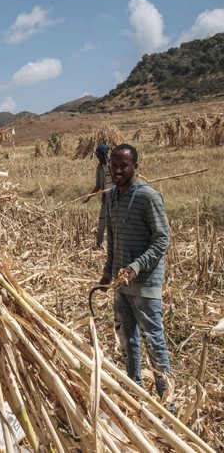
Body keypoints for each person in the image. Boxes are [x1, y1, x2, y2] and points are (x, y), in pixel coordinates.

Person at [99, 144, 173, 408]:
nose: (118, 170)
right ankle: (135, 393)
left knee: (154, 341)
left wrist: (136, 267)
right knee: (126, 338)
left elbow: (163, 239)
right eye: (115, 165)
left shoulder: (148, 197)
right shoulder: (111, 198)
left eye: (124, 165)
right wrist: (109, 273)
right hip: (121, 284)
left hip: (144, 284)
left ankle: (167, 402)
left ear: (135, 166)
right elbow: (112, 239)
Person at [84, 144, 114, 248]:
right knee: (102, 221)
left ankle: (115, 244)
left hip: (116, 199)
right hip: (106, 199)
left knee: (114, 223)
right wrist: (89, 196)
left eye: (99, 155)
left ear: (104, 155)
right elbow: (98, 185)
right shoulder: (99, 168)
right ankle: (99, 244)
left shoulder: (113, 165)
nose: (97, 157)